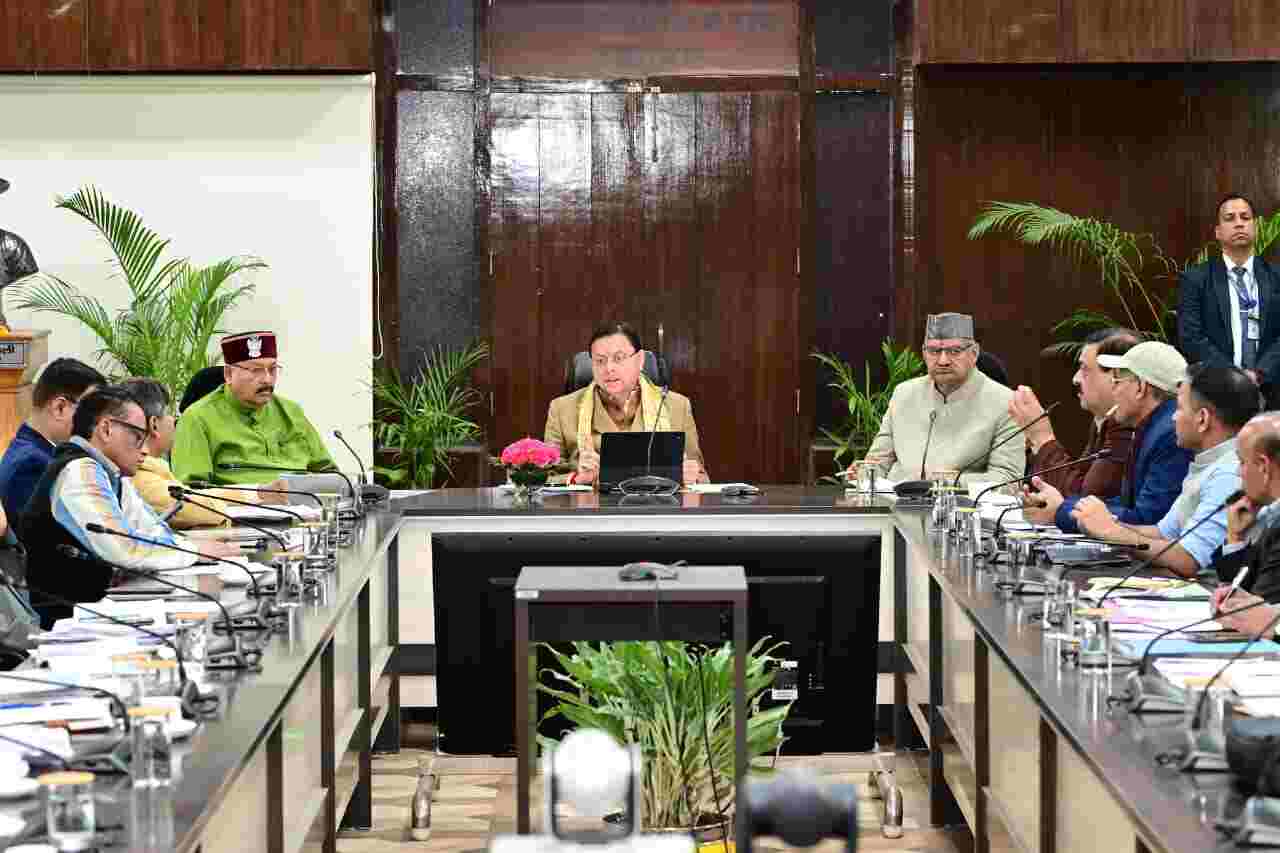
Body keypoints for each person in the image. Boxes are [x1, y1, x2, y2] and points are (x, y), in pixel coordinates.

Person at [17, 387, 241, 627]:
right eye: (137, 436)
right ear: (106, 429)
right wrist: (193, 551)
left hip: (104, 609)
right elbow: (125, 550)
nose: (145, 449)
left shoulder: (112, 474)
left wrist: (195, 549)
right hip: (68, 623)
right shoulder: (79, 471)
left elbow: (153, 530)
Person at [1062, 365, 1257, 577]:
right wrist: (1100, 523)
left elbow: (1188, 559)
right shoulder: (1210, 463)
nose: (1173, 418)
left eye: (1179, 408)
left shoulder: (1228, 475)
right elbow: (1162, 534)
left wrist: (1112, 532)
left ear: (1202, 419)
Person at [1024, 341, 1193, 533]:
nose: (1113, 390)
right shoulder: (1150, 427)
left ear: (1140, 387)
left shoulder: (1170, 434)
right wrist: (1063, 506)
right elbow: (1125, 503)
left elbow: (1146, 519)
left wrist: (1061, 511)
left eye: (1117, 381)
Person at [857, 312, 1024, 485]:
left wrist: (951, 482)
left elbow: (1010, 480)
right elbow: (878, 461)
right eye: (934, 351)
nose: (943, 361)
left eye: (954, 351)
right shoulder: (904, 394)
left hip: (960, 501)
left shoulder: (1006, 402)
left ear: (974, 353)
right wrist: (863, 473)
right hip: (895, 498)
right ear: (924, 353)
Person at [545, 322, 708, 486]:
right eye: (600, 361)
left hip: (656, 501)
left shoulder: (677, 407)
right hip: (591, 501)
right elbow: (544, 479)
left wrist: (691, 477)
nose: (609, 368)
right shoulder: (562, 410)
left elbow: (702, 478)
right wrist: (578, 478)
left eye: (618, 358)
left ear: (640, 360)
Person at [172, 331, 334, 487]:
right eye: (256, 371)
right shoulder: (198, 419)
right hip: (240, 505)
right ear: (228, 374)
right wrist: (257, 496)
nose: (267, 379)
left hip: (305, 502)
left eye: (272, 369)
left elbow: (329, 473)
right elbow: (192, 491)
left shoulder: (291, 411)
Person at [1008, 328, 1138, 499]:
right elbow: (1076, 480)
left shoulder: (1127, 424)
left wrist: (1043, 438)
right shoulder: (1103, 420)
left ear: (1117, 375)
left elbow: (1085, 497)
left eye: (1085, 369)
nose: (1075, 379)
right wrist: (1036, 443)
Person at [1179, 193, 1280, 404]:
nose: (1239, 223)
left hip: (1272, 390)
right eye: (1230, 218)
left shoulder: (1276, 277)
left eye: (1245, 217)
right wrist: (1234, 378)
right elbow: (1191, 337)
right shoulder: (1196, 279)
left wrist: (1259, 373)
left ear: (1255, 227)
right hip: (1218, 392)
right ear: (1218, 232)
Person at [119, 378, 241, 529]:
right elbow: (200, 509)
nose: (174, 420)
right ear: (154, 424)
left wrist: (257, 494)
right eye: (169, 413)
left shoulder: (150, 470)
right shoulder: (137, 476)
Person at [0, 357, 105, 523]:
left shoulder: (31, 451)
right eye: (91, 413)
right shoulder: (32, 465)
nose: (95, 425)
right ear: (59, 408)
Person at [1208, 412, 1280, 600]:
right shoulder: (1270, 515)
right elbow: (1239, 590)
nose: (1238, 472)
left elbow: (1253, 608)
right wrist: (1235, 537)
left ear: (1263, 465)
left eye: (1242, 462)